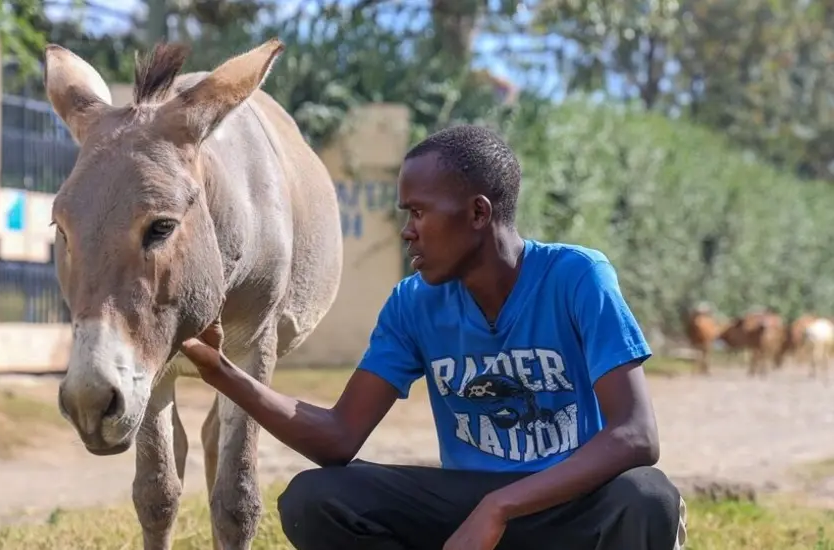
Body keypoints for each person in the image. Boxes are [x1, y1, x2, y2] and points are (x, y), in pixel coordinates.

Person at [180, 124, 687, 550]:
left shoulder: (576, 276)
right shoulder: (413, 302)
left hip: (567, 504)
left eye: (418, 212)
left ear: (478, 213)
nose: (407, 231)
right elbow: (338, 437)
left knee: (645, 496)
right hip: (465, 504)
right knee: (315, 499)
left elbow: (635, 435)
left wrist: (501, 507)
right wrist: (222, 372)